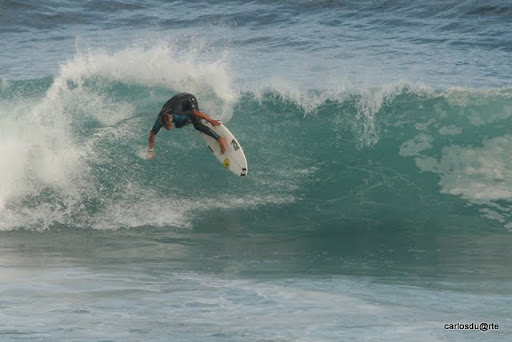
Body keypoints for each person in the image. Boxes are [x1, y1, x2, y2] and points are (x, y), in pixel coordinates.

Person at [147, 93, 227, 159]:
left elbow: (194, 112)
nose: (167, 128)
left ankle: (220, 139)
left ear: (171, 119)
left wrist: (210, 120)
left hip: (188, 99)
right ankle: (196, 119)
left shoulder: (177, 114)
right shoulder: (159, 121)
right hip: (176, 101)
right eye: (165, 126)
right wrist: (151, 151)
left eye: (168, 125)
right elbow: (152, 134)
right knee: (178, 125)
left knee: (197, 125)